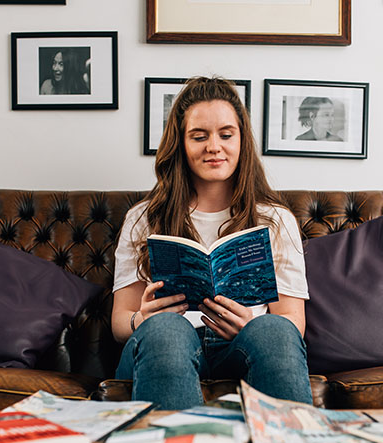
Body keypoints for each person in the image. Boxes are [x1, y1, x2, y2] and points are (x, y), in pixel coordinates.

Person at [111, 76, 313, 410]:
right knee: (166, 329)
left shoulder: (275, 220)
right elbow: (120, 322)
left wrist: (250, 324)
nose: (213, 146)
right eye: (199, 136)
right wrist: (141, 318)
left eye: (226, 134)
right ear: (181, 143)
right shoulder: (143, 218)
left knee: (274, 330)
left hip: (241, 346)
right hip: (163, 344)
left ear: (241, 141)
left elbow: (293, 321)